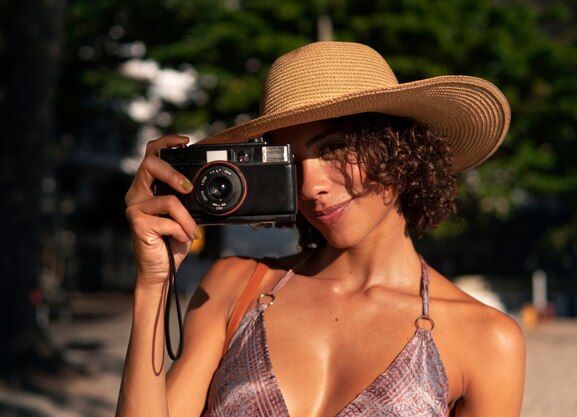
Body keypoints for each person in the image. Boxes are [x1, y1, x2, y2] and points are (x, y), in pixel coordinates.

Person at [117, 41, 525, 417]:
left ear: (400, 149)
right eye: (290, 162)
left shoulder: (486, 339)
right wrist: (152, 284)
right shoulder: (233, 288)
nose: (311, 186)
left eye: (333, 148)